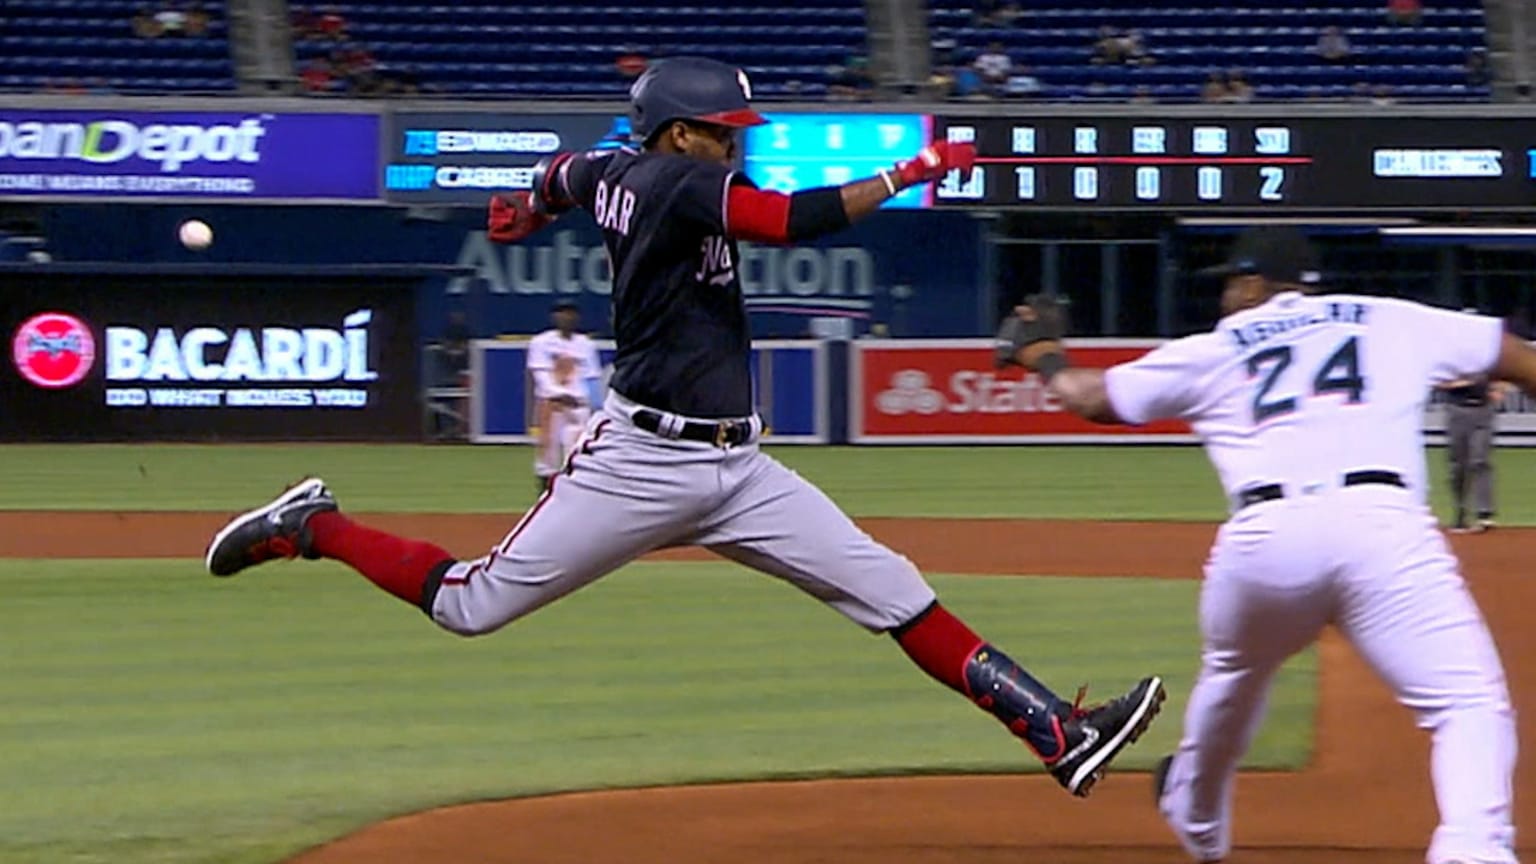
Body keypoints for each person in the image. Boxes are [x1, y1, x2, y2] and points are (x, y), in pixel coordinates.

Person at [204, 56, 1165, 799]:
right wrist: (912, 170)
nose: (734, 143)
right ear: (675, 136)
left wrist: (523, 209)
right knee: (471, 605)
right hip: (639, 463)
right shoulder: (674, 182)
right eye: (720, 130)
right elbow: (793, 221)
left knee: (895, 590)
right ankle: (314, 526)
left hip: (740, 467)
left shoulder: (620, 165)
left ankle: (1057, 732)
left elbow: (564, 172)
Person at [996, 225, 1526, 864]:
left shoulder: (1218, 347)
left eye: (1231, 281)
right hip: (1385, 530)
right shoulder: (1390, 319)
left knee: (1234, 676)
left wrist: (1041, 352)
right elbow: (1516, 357)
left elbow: (1089, 398)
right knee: (1468, 704)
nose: (1225, 293)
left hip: (1266, 541)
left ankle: (1198, 820)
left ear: (1254, 283)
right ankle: (1473, 850)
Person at [526, 300, 602, 493]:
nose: (566, 317)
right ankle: (544, 494)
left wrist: (593, 403)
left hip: (578, 405)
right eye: (561, 312)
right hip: (552, 404)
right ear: (554, 316)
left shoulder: (585, 344)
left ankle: (573, 494)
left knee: (576, 450)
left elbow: (592, 377)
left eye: (570, 313)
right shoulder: (541, 342)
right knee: (548, 452)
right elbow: (540, 374)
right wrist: (559, 394)